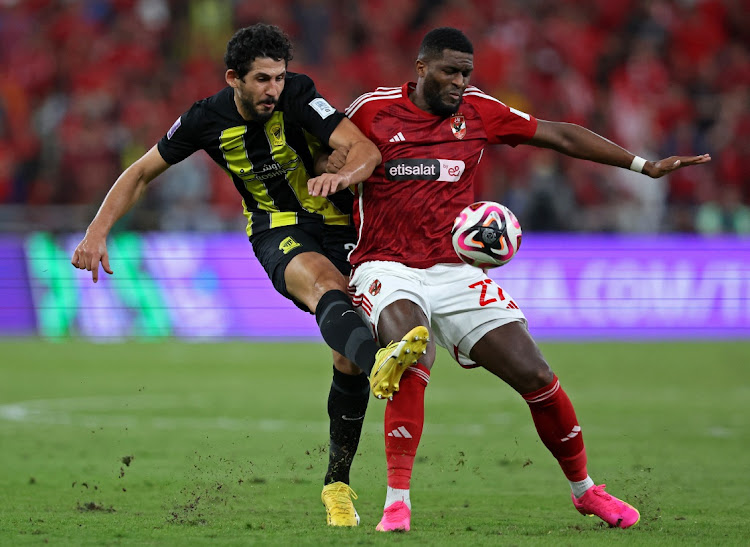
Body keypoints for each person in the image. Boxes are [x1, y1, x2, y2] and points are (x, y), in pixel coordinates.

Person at [312, 27, 711, 532]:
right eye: (449, 71)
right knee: (412, 352)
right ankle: (398, 503)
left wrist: (643, 165)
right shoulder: (372, 109)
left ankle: (587, 491)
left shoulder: (479, 111)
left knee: (537, 377)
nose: (459, 82)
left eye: (465, 74)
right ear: (420, 68)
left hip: (457, 269)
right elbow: (327, 153)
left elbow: (558, 134)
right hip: (386, 265)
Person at [70, 23, 428, 527]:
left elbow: (365, 149)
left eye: (279, 78)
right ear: (233, 78)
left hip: (341, 222)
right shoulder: (204, 118)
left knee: (343, 357)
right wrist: (97, 230)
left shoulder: (300, 95)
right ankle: (379, 361)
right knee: (327, 287)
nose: (273, 90)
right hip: (276, 229)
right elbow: (141, 172)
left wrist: (341, 175)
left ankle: (337, 485)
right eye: (262, 80)